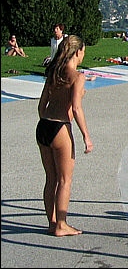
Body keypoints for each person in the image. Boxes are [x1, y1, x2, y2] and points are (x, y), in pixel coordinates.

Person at [36, 35, 93, 237]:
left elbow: (42, 106)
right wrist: (86, 136)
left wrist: (50, 119)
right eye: (83, 51)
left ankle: (52, 222)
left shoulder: (53, 73)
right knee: (64, 180)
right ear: (78, 52)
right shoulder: (77, 77)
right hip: (60, 128)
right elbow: (76, 109)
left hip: (43, 126)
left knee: (50, 178)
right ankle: (62, 224)